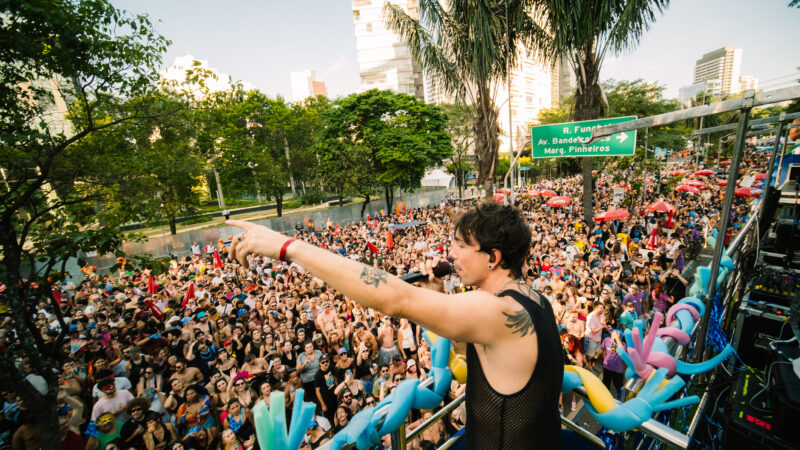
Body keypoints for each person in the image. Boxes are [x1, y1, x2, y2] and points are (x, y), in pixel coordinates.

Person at [226, 202, 564, 449]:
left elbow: (394, 298)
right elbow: (486, 356)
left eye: (461, 246)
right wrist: (433, 293)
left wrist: (290, 247)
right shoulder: (534, 300)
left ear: (493, 257)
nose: (451, 254)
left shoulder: (496, 312)